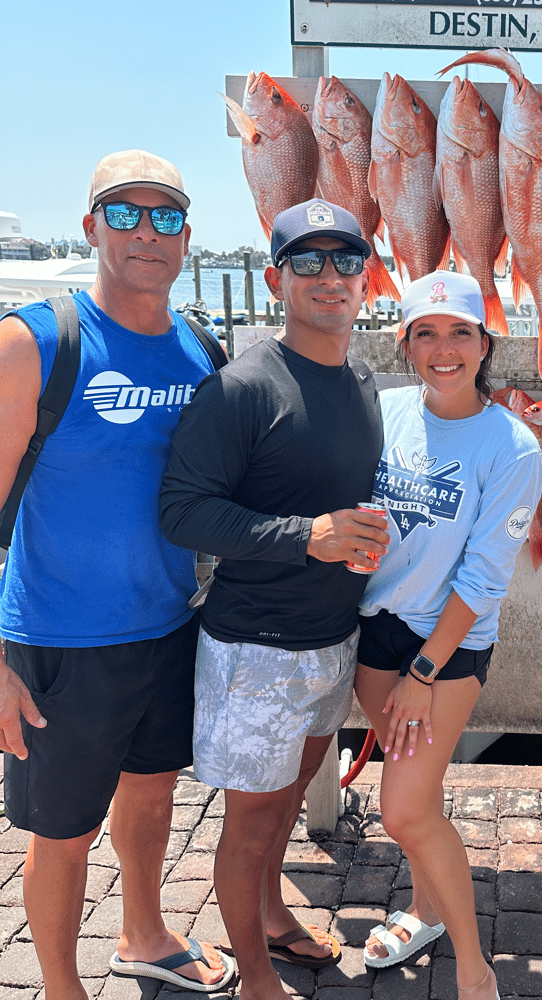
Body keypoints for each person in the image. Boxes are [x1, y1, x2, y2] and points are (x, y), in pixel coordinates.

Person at [0, 150, 235, 997]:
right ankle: (61, 987)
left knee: (151, 793)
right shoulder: (35, 342)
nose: (147, 231)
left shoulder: (199, 347)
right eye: (126, 213)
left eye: (166, 216)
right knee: (60, 832)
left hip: (168, 622)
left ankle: (142, 932)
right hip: (58, 637)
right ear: (93, 226)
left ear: (185, 238)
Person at [159, 199, 389, 1000]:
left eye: (345, 261)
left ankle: (272, 920)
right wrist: (307, 535)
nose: (329, 277)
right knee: (252, 823)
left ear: (367, 275)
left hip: (332, 639)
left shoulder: (360, 377)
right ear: (274, 278)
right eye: (307, 262)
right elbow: (183, 511)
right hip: (256, 647)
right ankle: (254, 976)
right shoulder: (241, 388)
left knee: (288, 806)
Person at [354, 270, 542, 1000]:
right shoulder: (384, 412)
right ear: (405, 344)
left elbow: (486, 577)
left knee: (401, 807)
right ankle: (425, 913)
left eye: (460, 332)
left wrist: (424, 673)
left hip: (448, 649)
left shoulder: (513, 446)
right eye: (425, 333)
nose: (443, 349)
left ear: (484, 343)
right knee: (418, 799)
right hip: (377, 629)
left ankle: (472, 964)